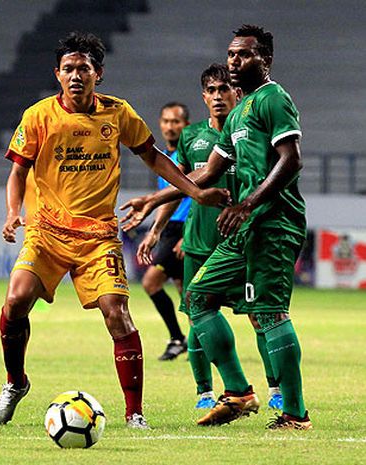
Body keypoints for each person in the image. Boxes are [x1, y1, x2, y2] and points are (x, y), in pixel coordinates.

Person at [0, 31, 229, 429]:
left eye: (83, 68)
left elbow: (154, 156)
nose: (75, 75)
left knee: (118, 315)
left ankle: (134, 413)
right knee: (15, 301)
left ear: (98, 73)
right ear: (57, 74)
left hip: (98, 237)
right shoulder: (38, 116)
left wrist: (195, 191)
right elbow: (18, 171)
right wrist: (13, 211)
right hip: (47, 232)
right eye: (68, 69)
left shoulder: (118, 114)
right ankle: (15, 383)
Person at [120, 25, 310, 430]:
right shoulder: (239, 114)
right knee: (198, 298)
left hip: (274, 223)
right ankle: (238, 392)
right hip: (244, 229)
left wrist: (248, 203)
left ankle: (295, 414)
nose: (235, 61)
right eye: (231, 54)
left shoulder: (273, 98)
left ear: (267, 60)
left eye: (245, 54)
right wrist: (152, 200)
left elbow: (291, 159)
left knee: (270, 313)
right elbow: (206, 173)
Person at [134, 63, 283, 410]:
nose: (218, 97)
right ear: (204, 97)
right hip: (199, 243)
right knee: (197, 315)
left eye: (224, 90)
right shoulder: (191, 137)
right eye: (212, 91)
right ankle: (204, 393)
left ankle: (276, 389)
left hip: (241, 241)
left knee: (260, 316)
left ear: (237, 92)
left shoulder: (250, 130)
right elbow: (183, 184)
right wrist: (156, 229)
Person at [136, 102, 191, 361]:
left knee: (151, 282)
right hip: (170, 228)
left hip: (184, 229)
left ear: (186, 125)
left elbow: (192, 196)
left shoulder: (189, 154)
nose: (171, 126)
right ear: (160, 124)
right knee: (186, 290)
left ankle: (179, 339)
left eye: (176, 121)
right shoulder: (163, 157)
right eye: (166, 121)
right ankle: (195, 341)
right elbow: (166, 199)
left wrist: (187, 235)